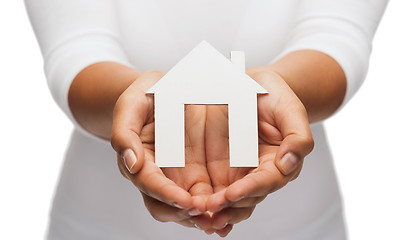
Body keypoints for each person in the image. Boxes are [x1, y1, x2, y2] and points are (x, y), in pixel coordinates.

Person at [25, 0, 388, 239]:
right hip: (102, 224)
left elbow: (338, 36)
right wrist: (137, 99)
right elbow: (74, 51)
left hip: (297, 225)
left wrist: (274, 93)